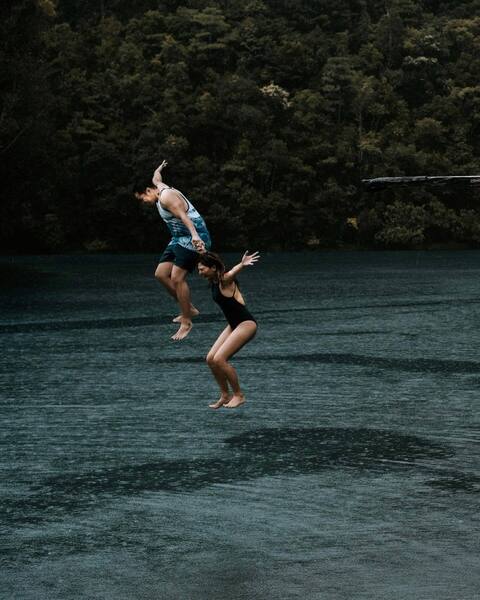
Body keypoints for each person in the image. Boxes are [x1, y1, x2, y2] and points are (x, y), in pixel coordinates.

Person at [135, 161, 211, 340]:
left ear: (148, 190)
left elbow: (184, 217)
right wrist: (159, 168)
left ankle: (187, 321)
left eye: (142, 198)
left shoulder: (166, 197)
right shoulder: (158, 185)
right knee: (161, 274)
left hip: (193, 236)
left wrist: (195, 237)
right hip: (178, 238)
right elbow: (156, 177)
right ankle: (189, 308)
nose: (143, 202)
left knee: (177, 277)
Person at [197, 250, 259, 409]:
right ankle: (225, 395)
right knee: (210, 359)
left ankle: (239, 395)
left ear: (213, 268)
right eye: (198, 269)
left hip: (246, 323)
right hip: (233, 324)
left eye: (202, 269)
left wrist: (242, 264)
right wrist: (200, 248)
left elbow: (231, 273)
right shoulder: (214, 281)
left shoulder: (224, 280)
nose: (200, 272)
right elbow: (210, 257)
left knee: (220, 359)